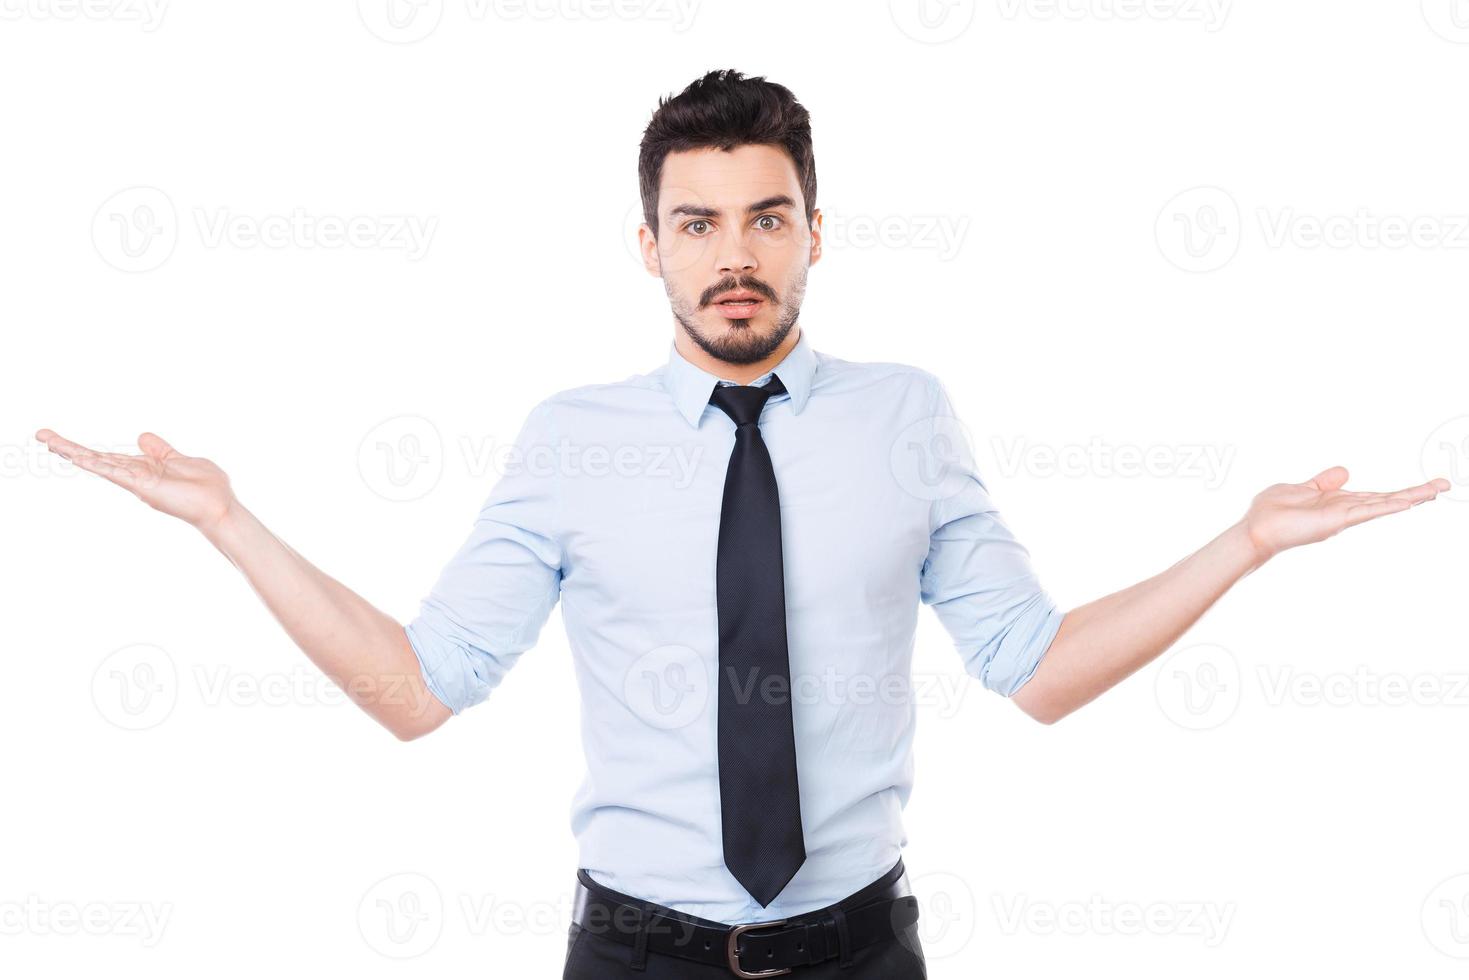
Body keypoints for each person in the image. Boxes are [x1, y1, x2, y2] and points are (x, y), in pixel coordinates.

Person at [35, 69, 1448, 979]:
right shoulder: (568, 442)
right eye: (697, 224)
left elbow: (1035, 669)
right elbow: (419, 690)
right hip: (634, 954)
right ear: (647, 244)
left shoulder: (905, 414)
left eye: (767, 219)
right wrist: (233, 524)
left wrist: (1244, 544)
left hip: (857, 950)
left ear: (814, 233)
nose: (734, 257)